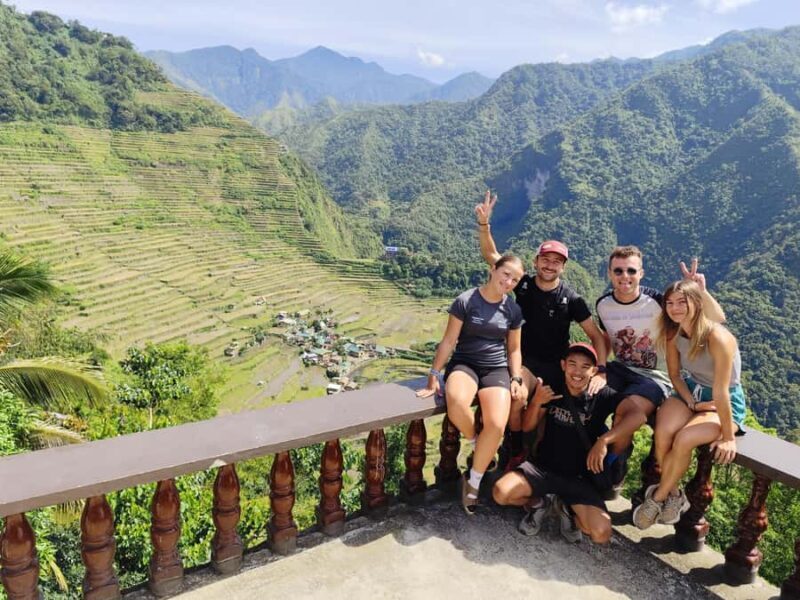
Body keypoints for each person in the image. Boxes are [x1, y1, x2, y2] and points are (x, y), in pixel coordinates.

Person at [475, 191, 608, 467]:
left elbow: (596, 336)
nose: (550, 265)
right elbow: (492, 256)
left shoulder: (572, 299)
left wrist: (602, 370)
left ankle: (533, 455)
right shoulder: (523, 284)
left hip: (556, 366)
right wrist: (484, 224)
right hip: (524, 362)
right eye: (545, 259)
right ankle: (515, 448)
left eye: (556, 261)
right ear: (536, 261)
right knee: (518, 398)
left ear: (563, 267)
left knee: (544, 416)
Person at [590, 248, 726, 493]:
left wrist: (700, 293)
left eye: (631, 271)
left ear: (641, 273)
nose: (625, 276)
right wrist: (600, 369)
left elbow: (716, 319)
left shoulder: (657, 301)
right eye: (618, 271)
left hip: (655, 376)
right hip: (620, 368)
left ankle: (612, 470)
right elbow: (607, 337)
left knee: (625, 415)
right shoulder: (604, 305)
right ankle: (579, 454)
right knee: (581, 391)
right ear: (609, 273)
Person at [416, 255, 526, 514]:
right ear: (493, 269)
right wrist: (434, 373)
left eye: (515, 279)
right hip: (465, 363)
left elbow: (514, 349)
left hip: (496, 368)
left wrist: (516, 377)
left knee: (497, 424)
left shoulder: (512, 310)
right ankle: (477, 442)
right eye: (506, 274)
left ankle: (473, 482)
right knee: (455, 401)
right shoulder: (466, 301)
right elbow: (449, 340)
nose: (509, 282)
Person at [633, 279, 746, 529]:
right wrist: (692, 404)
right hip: (689, 391)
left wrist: (728, 437)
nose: (674, 308)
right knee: (663, 432)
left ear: (697, 303)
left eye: (681, 302)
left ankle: (658, 498)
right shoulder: (674, 333)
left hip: (721, 399)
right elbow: (675, 375)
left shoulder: (718, 337)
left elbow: (721, 391)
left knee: (684, 439)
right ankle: (675, 494)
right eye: (670, 303)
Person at [492, 343, 616, 544]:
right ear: (563, 365)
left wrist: (605, 440)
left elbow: (637, 415)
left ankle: (566, 508)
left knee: (600, 533)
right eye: (572, 364)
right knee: (501, 493)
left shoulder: (601, 395)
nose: (577, 372)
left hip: (579, 478)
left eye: (585, 367)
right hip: (543, 469)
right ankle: (540, 504)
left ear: (594, 371)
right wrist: (537, 401)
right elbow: (527, 426)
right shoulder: (553, 388)